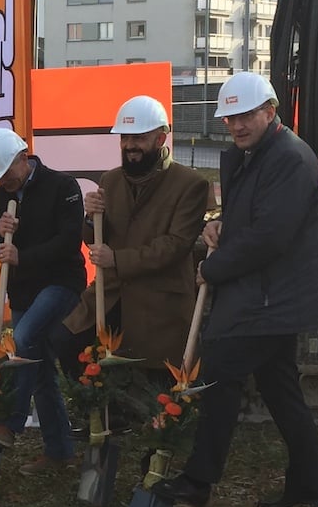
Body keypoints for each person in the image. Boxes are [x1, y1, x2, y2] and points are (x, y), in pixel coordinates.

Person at [152, 72, 318, 507]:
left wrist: (212, 269)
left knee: (217, 373)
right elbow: (247, 218)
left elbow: (271, 236)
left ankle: (198, 479)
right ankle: (311, 484)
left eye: (246, 115)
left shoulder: (291, 158)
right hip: (259, 291)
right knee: (279, 389)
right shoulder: (244, 157)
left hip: (274, 296)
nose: (237, 125)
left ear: (270, 112)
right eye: (230, 118)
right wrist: (221, 224)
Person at [57, 96, 210, 405]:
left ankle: (147, 437)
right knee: (64, 341)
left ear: (160, 138)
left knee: (157, 389)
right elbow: (94, 237)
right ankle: (101, 414)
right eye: (125, 138)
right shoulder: (111, 180)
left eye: (138, 138)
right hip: (111, 293)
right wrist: (90, 217)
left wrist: (117, 259)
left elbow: (176, 246)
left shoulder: (191, 184)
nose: (129, 145)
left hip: (160, 303)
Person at [0, 127, 86, 474]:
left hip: (60, 283)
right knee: (37, 372)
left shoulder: (63, 187)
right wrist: (1, 235)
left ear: (24, 159)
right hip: (22, 290)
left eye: (7, 173)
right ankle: (59, 451)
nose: (3, 181)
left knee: (21, 343)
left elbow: (69, 242)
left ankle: (9, 424)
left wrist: (24, 256)